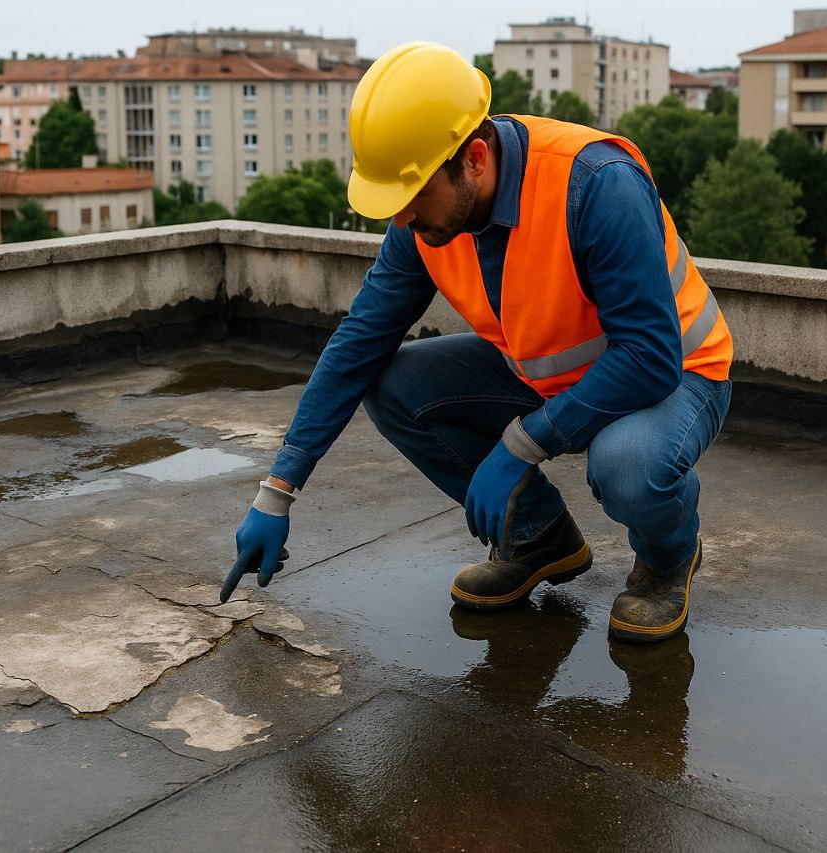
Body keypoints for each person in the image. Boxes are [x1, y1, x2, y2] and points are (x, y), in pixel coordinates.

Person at [221, 42, 733, 643]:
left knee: (627, 464)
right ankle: (540, 538)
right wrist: (279, 489)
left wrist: (521, 444)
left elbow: (648, 357)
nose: (404, 221)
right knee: (392, 383)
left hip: (675, 376)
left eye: (413, 199)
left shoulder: (595, 183)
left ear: (475, 159)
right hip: (546, 374)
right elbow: (358, 342)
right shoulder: (425, 222)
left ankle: (668, 560)